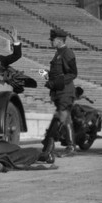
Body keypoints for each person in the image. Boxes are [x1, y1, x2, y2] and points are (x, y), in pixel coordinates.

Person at [40, 29, 78, 157]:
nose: (51, 41)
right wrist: (47, 75)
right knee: (61, 117)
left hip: (65, 92)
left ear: (59, 40)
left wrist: (54, 83)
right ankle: (49, 142)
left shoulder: (67, 53)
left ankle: (69, 146)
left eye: (52, 40)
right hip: (59, 92)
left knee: (64, 117)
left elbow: (73, 73)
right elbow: (58, 73)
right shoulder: (58, 53)